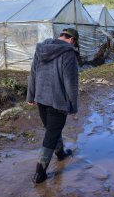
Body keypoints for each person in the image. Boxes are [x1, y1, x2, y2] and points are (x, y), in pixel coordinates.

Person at [27, 28, 79, 184]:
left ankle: (61, 153)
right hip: (58, 101)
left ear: (61, 36)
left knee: (52, 130)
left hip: (41, 98)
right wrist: (73, 105)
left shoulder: (41, 48)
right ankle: (39, 173)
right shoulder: (68, 52)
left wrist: (31, 95)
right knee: (50, 135)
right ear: (72, 40)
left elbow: (33, 73)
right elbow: (71, 82)